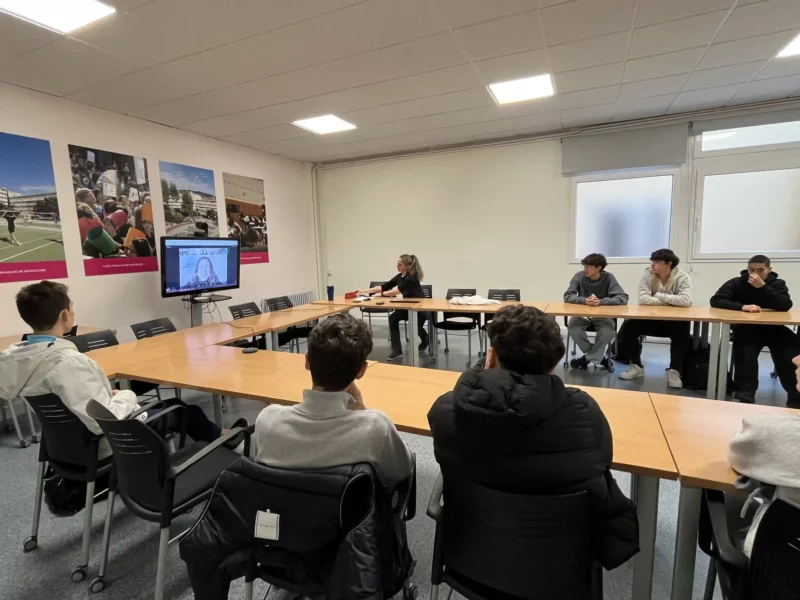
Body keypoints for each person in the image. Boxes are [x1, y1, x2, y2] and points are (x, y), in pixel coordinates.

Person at [427, 305, 639, 570]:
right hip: (558, 570)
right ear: (553, 365)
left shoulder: (444, 411)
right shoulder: (583, 415)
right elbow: (601, 466)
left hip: (471, 560)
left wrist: (487, 372)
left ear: (491, 356)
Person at [0, 281, 246, 459]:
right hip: (113, 439)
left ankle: (222, 435)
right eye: (72, 308)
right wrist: (126, 395)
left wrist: (108, 396)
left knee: (176, 405)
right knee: (187, 412)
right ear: (65, 315)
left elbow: (77, 401)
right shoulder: (68, 363)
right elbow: (104, 421)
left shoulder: (21, 360)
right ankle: (228, 442)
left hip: (68, 446)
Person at [254, 313, 413, 490]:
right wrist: (363, 410)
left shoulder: (267, 421)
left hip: (280, 507)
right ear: (361, 371)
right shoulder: (375, 428)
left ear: (307, 361)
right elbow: (403, 470)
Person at [728, 354, 800, 557]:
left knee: (723, 499)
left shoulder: (770, 434)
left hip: (777, 569)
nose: (795, 359)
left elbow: (738, 453)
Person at [711, 255, 800, 407]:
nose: (755, 274)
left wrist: (763, 287)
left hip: (775, 328)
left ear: (769, 270)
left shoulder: (777, 284)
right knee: (745, 353)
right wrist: (741, 307)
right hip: (748, 328)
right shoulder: (737, 282)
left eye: (760, 270)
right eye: (752, 270)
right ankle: (745, 394)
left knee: (790, 353)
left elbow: (785, 304)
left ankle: (795, 395)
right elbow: (716, 300)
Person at [618, 249, 693, 389]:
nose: (652, 264)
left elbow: (685, 301)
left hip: (673, 321)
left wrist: (659, 295)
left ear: (668, 264)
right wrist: (671, 301)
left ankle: (674, 370)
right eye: (652, 261)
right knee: (628, 327)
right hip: (650, 319)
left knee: (683, 328)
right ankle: (636, 366)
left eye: (657, 261)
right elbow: (643, 299)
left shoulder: (683, 277)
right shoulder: (647, 276)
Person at [357, 254, 428, 362]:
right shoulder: (400, 276)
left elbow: (396, 291)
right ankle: (397, 350)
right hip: (407, 307)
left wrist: (381, 295)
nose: (397, 266)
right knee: (393, 318)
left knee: (416, 328)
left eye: (400, 264)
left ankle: (426, 340)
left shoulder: (412, 277)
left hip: (419, 309)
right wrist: (363, 291)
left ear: (407, 266)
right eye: (397, 264)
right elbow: (385, 286)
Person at [564, 253, 629, 369]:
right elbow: (568, 296)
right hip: (582, 314)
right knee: (573, 327)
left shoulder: (608, 277)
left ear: (598, 268)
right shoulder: (579, 276)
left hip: (603, 315)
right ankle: (598, 357)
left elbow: (623, 298)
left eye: (588, 267)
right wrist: (584, 300)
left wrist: (600, 302)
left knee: (607, 331)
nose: (585, 269)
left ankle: (587, 358)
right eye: (584, 266)